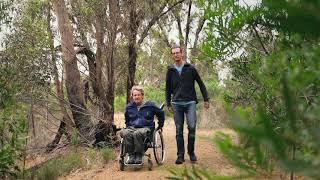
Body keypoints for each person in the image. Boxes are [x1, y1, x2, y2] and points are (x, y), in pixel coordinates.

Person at [165, 46, 210, 164]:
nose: (176, 55)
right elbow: (168, 88)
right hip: (176, 103)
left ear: (182, 53)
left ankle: (191, 153)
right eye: (173, 53)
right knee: (179, 130)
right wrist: (168, 103)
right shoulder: (170, 70)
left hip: (190, 102)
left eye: (177, 52)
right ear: (172, 55)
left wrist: (206, 99)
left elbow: (200, 83)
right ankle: (180, 155)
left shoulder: (191, 68)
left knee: (191, 127)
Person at [120, 85, 165, 164]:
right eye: (135, 95)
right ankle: (131, 155)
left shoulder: (150, 105)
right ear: (132, 96)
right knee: (125, 133)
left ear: (142, 95)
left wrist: (160, 125)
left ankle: (139, 155)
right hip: (132, 127)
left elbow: (160, 113)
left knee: (137, 133)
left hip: (146, 128)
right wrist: (128, 127)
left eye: (138, 95)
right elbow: (127, 118)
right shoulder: (129, 107)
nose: (136, 97)